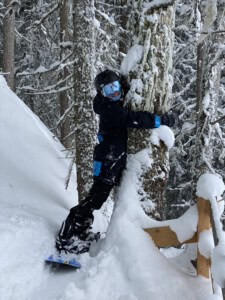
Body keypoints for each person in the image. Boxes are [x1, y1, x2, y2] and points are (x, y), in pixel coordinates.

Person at [55, 69, 175, 255]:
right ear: (102, 93)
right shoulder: (110, 109)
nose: (115, 92)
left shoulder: (111, 103)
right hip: (107, 159)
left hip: (110, 157)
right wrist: (161, 120)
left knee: (98, 198)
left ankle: (81, 230)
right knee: (96, 198)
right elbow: (133, 119)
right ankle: (69, 235)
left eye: (116, 87)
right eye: (108, 90)